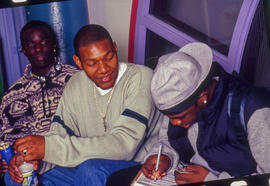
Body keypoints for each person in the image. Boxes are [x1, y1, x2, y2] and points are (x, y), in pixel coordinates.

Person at [8, 24, 159, 186]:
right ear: (78, 62)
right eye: (92, 63)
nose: (103, 69)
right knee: (16, 179)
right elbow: (58, 135)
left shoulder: (140, 77)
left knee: (90, 170)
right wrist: (34, 160)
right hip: (89, 167)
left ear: (115, 48)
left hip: (141, 165)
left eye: (108, 57)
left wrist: (48, 148)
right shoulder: (76, 83)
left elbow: (124, 146)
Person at [106, 42, 270, 185]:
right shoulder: (182, 102)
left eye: (180, 117)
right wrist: (164, 157)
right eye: (171, 118)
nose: (175, 123)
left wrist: (211, 181)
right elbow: (167, 138)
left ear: (202, 97)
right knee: (116, 181)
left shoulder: (255, 111)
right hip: (185, 172)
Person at [0, 20, 78, 184]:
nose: (37, 49)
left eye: (43, 42)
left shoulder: (76, 79)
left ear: (54, 45)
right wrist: (7, 162)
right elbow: (5, 141)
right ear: (23, 50)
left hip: (73, 161)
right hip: (30, 167)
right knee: (13, 178)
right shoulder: (12, 95)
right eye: (30, 44)